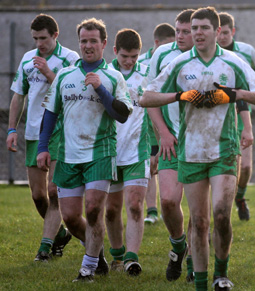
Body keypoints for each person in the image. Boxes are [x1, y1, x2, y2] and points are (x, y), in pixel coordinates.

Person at [140, 7, 255, 291]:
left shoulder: (233, 61)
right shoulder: (179, 64)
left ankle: (221, 274)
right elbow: (146, 98)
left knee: (222, 214)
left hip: (224, 150)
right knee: (199, 222)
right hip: (191, 152)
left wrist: (233, 94)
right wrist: (180, 95)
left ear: (217, 31)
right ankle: (201, 282)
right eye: (194, 28)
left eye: (203, 28)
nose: (198, 33)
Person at [37, 18, 133, 282]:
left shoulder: (113, 76)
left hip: (100, 153)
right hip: (68, 155)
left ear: (104, 44)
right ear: (78, 43)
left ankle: (87, 269)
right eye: (83, 41)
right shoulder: (65, 76)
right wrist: (43, 147)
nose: (88, 46)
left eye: (93, 41)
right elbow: (50, 114)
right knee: (70, 217)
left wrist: (100, 88)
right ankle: (98, 256)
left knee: (93, 210)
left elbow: (121, 115)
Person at [6, 13, 78, 262]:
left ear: (55, 35)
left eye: (44, 38)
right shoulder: (28, 58)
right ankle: (60, 234)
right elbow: (18, 95)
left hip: (62, 130)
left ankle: (44, 249)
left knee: (54, 190)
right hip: (34, 132)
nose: (39, 43)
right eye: (35, 38)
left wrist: (49, 72)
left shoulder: (70, 58)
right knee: (38, 196)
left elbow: (73, 91)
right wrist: (12, 129)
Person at [145, 9, 195, 283]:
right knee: (167, 201)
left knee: (199, 213)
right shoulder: (162, 55)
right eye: (178, 31)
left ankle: (194, 266)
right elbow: (149, 98)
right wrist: (162, 134)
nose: (182, 36)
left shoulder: (209, 58)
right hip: (171, 142)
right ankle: (178, 246)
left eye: (186, 31)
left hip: (202, 145)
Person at [104, 28, 150, 276]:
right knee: (111, 210)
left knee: (134, 205)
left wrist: (154, 147)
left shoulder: (146, 75)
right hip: (109, 152)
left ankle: (132, 259)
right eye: (125, 56)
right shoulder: (105, 75)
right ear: (115, 51)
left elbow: (154, 111)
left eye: (134, 56)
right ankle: (117, 256)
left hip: (136, 151)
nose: (130, 61)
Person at [217, 12, 255, 221]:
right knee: (228, 167)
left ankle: (240, 197)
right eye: (220, 33)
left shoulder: (246, 52)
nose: (222, 37)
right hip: (219, 117)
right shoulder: (208, 54)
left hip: (243, 113)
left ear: (232, 31)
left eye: (226, 33)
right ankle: (220, 211)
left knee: (245, 167)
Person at [138, 23, 175, 224]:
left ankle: (164, 207)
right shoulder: (142, 62)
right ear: (157, 43)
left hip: (165, 118)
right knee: (150, 164)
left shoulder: (174, 59)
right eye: (168, 44)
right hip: (145, 121)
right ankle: (151, 210)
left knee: (163, 163)